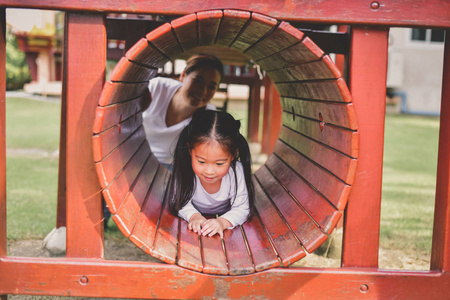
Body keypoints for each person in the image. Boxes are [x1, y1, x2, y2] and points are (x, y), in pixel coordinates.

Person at [168, 110, 255, 238]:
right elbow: (178, 201)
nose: (209, 171)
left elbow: (242, 208)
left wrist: (222, 222)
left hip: (224, 215)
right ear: (190, 151)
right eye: (201, 161)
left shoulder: (236, 172)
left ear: (232, 155)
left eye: (219, 163)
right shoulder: (185, 168)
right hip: (195, 214)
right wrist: (194, 216)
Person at [141, 54, 224, 170]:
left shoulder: (208, 116)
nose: (202, 92)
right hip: (135, 156)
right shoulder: (157, 88)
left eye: (211, 87)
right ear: (183, 75)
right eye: (198, 81)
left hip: (171, 169)